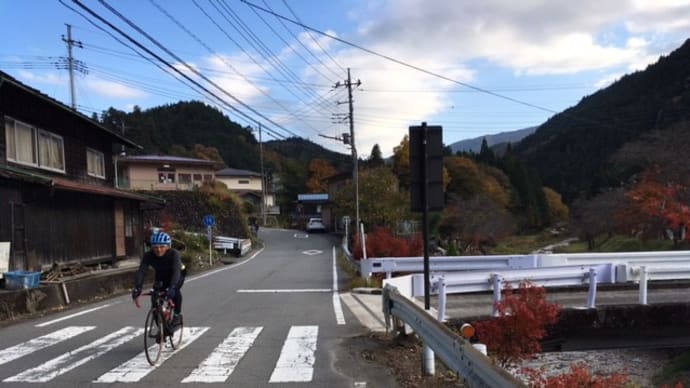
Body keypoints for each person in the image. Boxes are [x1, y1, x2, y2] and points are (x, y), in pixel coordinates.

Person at [131, 231, 186, 330]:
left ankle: (177, 315)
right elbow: (142, 271)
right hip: (161, 275)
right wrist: (137, 287)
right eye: (155, 247)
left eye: (162, 246)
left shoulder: (174, 254)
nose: (159, 250)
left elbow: (176, 272)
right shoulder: (149, 255)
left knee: (175, 291)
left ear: (168, 246)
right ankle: (162, 327)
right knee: (155, 297)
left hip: (178, 274)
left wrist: (172, 287)